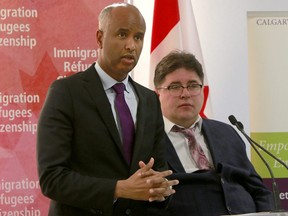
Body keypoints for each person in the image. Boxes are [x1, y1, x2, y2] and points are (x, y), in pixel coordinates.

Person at [36, 3, 178, 216]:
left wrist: (161, 187)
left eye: (138, 37)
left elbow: (157, 168)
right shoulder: (66, 92)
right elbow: (52, 179)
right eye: (122, 34)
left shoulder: (149, 100)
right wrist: (119, 189)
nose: (131, 45)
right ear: (100, 38)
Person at [152, 50, 274, 216]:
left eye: (193, 85)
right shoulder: (145, 139)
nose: (185, 94)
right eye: (175, 87)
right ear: (157, 93)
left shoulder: (226, 132)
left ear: (202, 90)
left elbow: (258, 190)